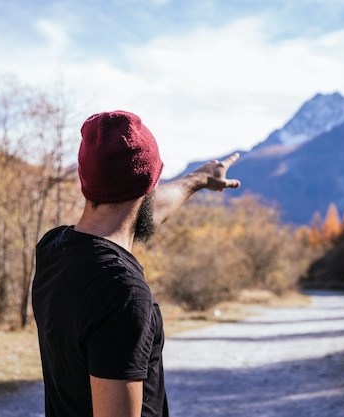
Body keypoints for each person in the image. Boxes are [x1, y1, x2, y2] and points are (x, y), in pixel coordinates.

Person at [32, 110, 240, 417]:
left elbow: (141, 213)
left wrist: (197, 180)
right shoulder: (123, 293)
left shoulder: (53, 249)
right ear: (149, 187)